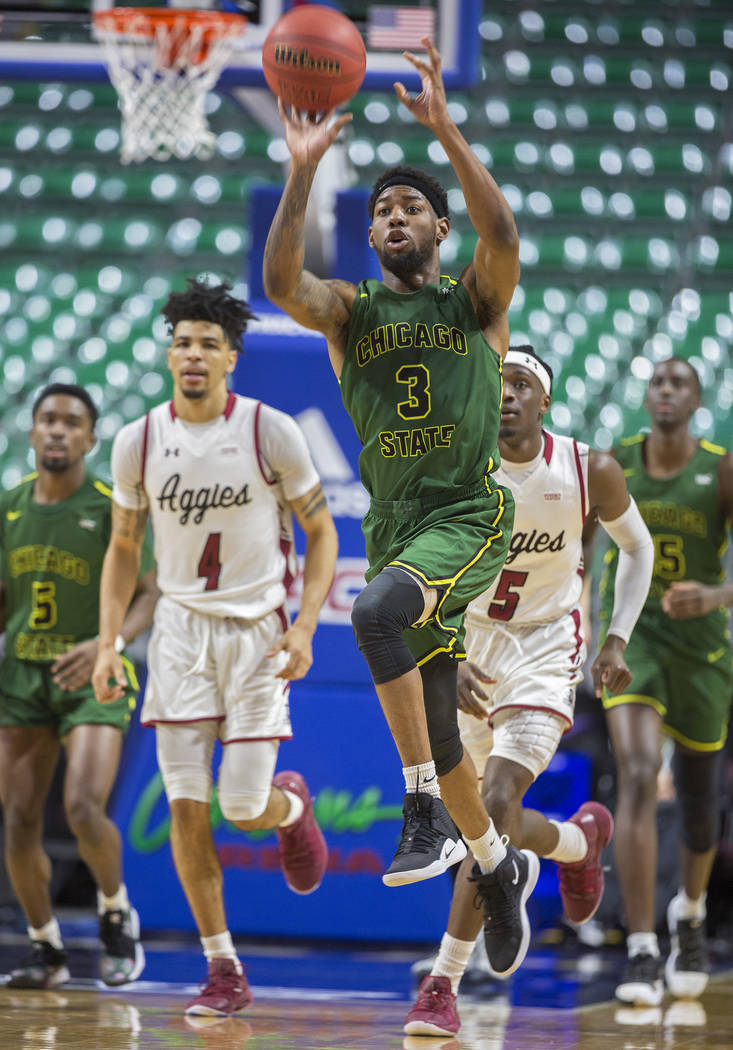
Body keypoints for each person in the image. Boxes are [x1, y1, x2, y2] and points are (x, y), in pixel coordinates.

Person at [263, 37, 539, 979]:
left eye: (411, 207)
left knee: (373, 611)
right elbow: (277, 287)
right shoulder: (350, 314)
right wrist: (302, 175)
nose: (393, 217)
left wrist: (445, 133)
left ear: (437, 232)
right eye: (381, 208)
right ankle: (497, 870)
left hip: (466, 515)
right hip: (396, 527)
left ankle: (417, 808)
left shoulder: (474, 304)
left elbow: (503, 236)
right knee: (442, 727)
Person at [92, 278, 338, 1017]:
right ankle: (221, 965)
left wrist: (302, 626)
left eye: (207, 344)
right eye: (181, 343)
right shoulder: (138, 440)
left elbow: (322, 531)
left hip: (257, 634)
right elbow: (122, 547)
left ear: (232, 357)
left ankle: (290, 810)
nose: (192, 354)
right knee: (187, 809)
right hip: (177, 639)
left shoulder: (270, 431)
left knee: (241, 804)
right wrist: (109, 643)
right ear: (169, 356)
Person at [403, 347, 655, 1036]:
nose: (506, 394)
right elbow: (414, 570)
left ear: (543, 401)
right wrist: (441, 653)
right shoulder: (450, 468)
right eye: (496, 384)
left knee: (492, 802)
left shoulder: (585, 468)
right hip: (467, 647)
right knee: (482, 828)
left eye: (521, 385)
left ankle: (442, 983)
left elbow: (638, 548)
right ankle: (576, 842)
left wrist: (615, 638)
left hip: (545, 645)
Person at [0, 383, 158, 990]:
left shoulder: (107, 506)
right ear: (33, 431)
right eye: (48, 420)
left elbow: (150, 592)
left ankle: (115, 914)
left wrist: (109, 643)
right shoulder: (10, 507)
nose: (58, 430)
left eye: (72, 422)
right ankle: (45, 948)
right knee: (17, 820)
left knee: (83, 806)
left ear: (92, 438)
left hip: (94, 673)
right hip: (23, 677)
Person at [597, 356, 733, 1006]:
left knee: (701, 805)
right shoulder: (612, 461)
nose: (665, 392)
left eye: (678, 383)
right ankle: (642, 947)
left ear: (696, 401)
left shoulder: (720, 467)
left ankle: (691, 914)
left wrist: (716, 595)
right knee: (636, 770)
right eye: (656, 382)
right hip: (635, 639)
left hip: (702, 651)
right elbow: (573, 545)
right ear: (646, 396)